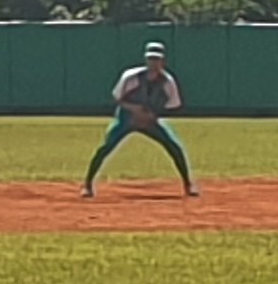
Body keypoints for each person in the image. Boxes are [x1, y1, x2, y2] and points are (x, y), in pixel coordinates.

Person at [83, 41, 199, 199]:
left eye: (157, 59)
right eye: (151, 59)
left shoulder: (167, 81)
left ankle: (188, 185)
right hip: (127, 117)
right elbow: (117, 98)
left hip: (151, 119)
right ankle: (87, 185)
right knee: (106, 147)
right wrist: (135, 110)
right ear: (146, 59)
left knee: (174, 146)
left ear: (163, 61)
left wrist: (153, 115)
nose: (154, 63)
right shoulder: (131, 76)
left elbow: (173, 104)